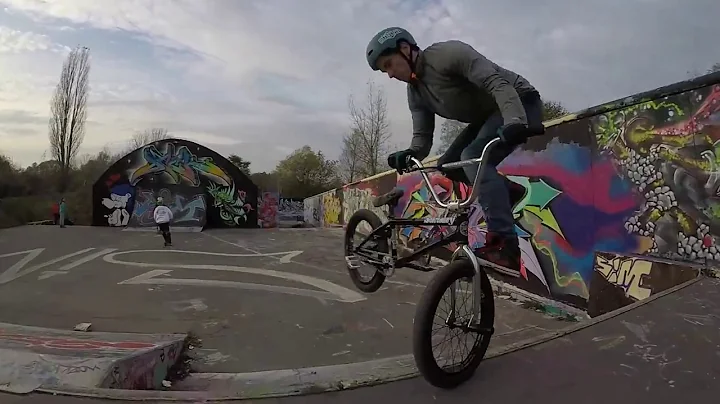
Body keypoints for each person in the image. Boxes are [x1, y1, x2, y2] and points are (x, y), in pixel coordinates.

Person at [366, 27, 544, 278]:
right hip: (487, 117)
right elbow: (423, 137)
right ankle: (507, 190)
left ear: (405, 49)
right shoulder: (416, 91)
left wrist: (514, 120)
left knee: (471, 155)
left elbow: (496, 82)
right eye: (385, 71)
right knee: (447, 164)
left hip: (520, 101)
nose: (391, 74)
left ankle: (506, 245)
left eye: (389, 64)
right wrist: (410, 153)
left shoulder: (447, 54)